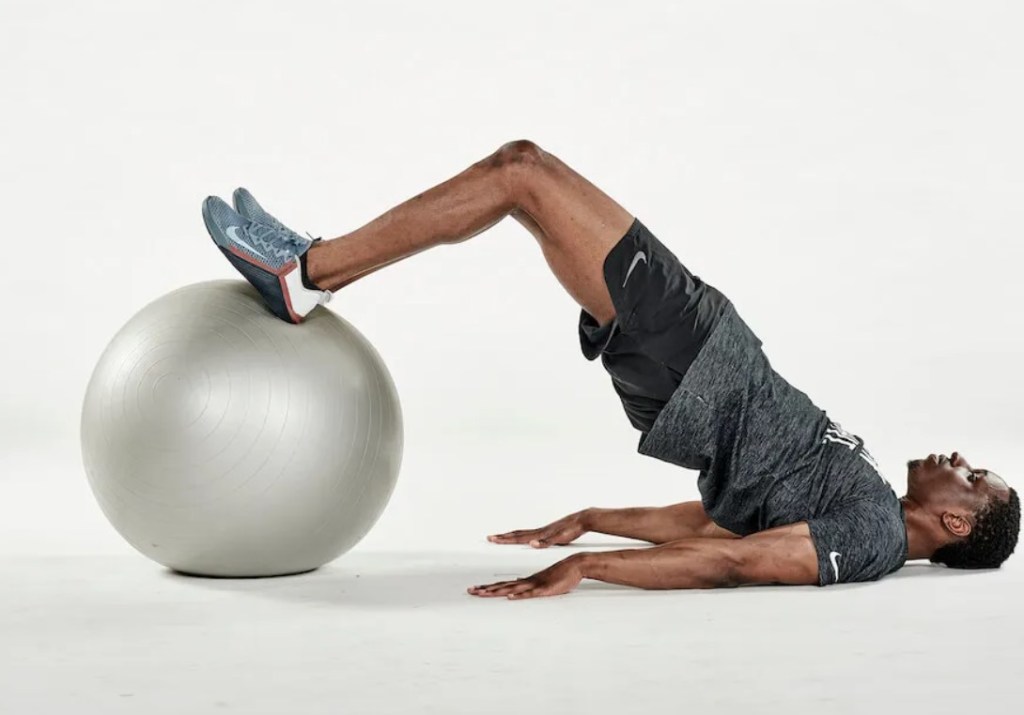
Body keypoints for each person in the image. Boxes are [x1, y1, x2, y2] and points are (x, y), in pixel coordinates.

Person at [201, 140, 1020, 599]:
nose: (959, 459)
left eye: (973, 476)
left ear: (955, 524)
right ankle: (312, 269)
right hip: (692, 355)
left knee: (521, 171)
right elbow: (720, 526)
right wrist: (596, 516)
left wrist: (591, 568)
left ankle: (306, 273)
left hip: (692, 353)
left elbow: (735, 560)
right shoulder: (869, 501)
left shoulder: (872, 535)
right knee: (518, 187)